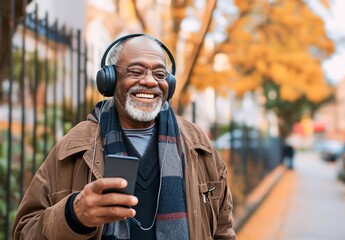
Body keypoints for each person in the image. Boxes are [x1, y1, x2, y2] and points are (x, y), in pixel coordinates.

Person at [12, 34, 236, 240]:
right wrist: (73, 215)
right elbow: (24, 231)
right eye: (136, 71)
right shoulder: (75, 147)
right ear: (109, 80)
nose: (149, 81)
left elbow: (223, 230)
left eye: (159, 74)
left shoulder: (199, 146)